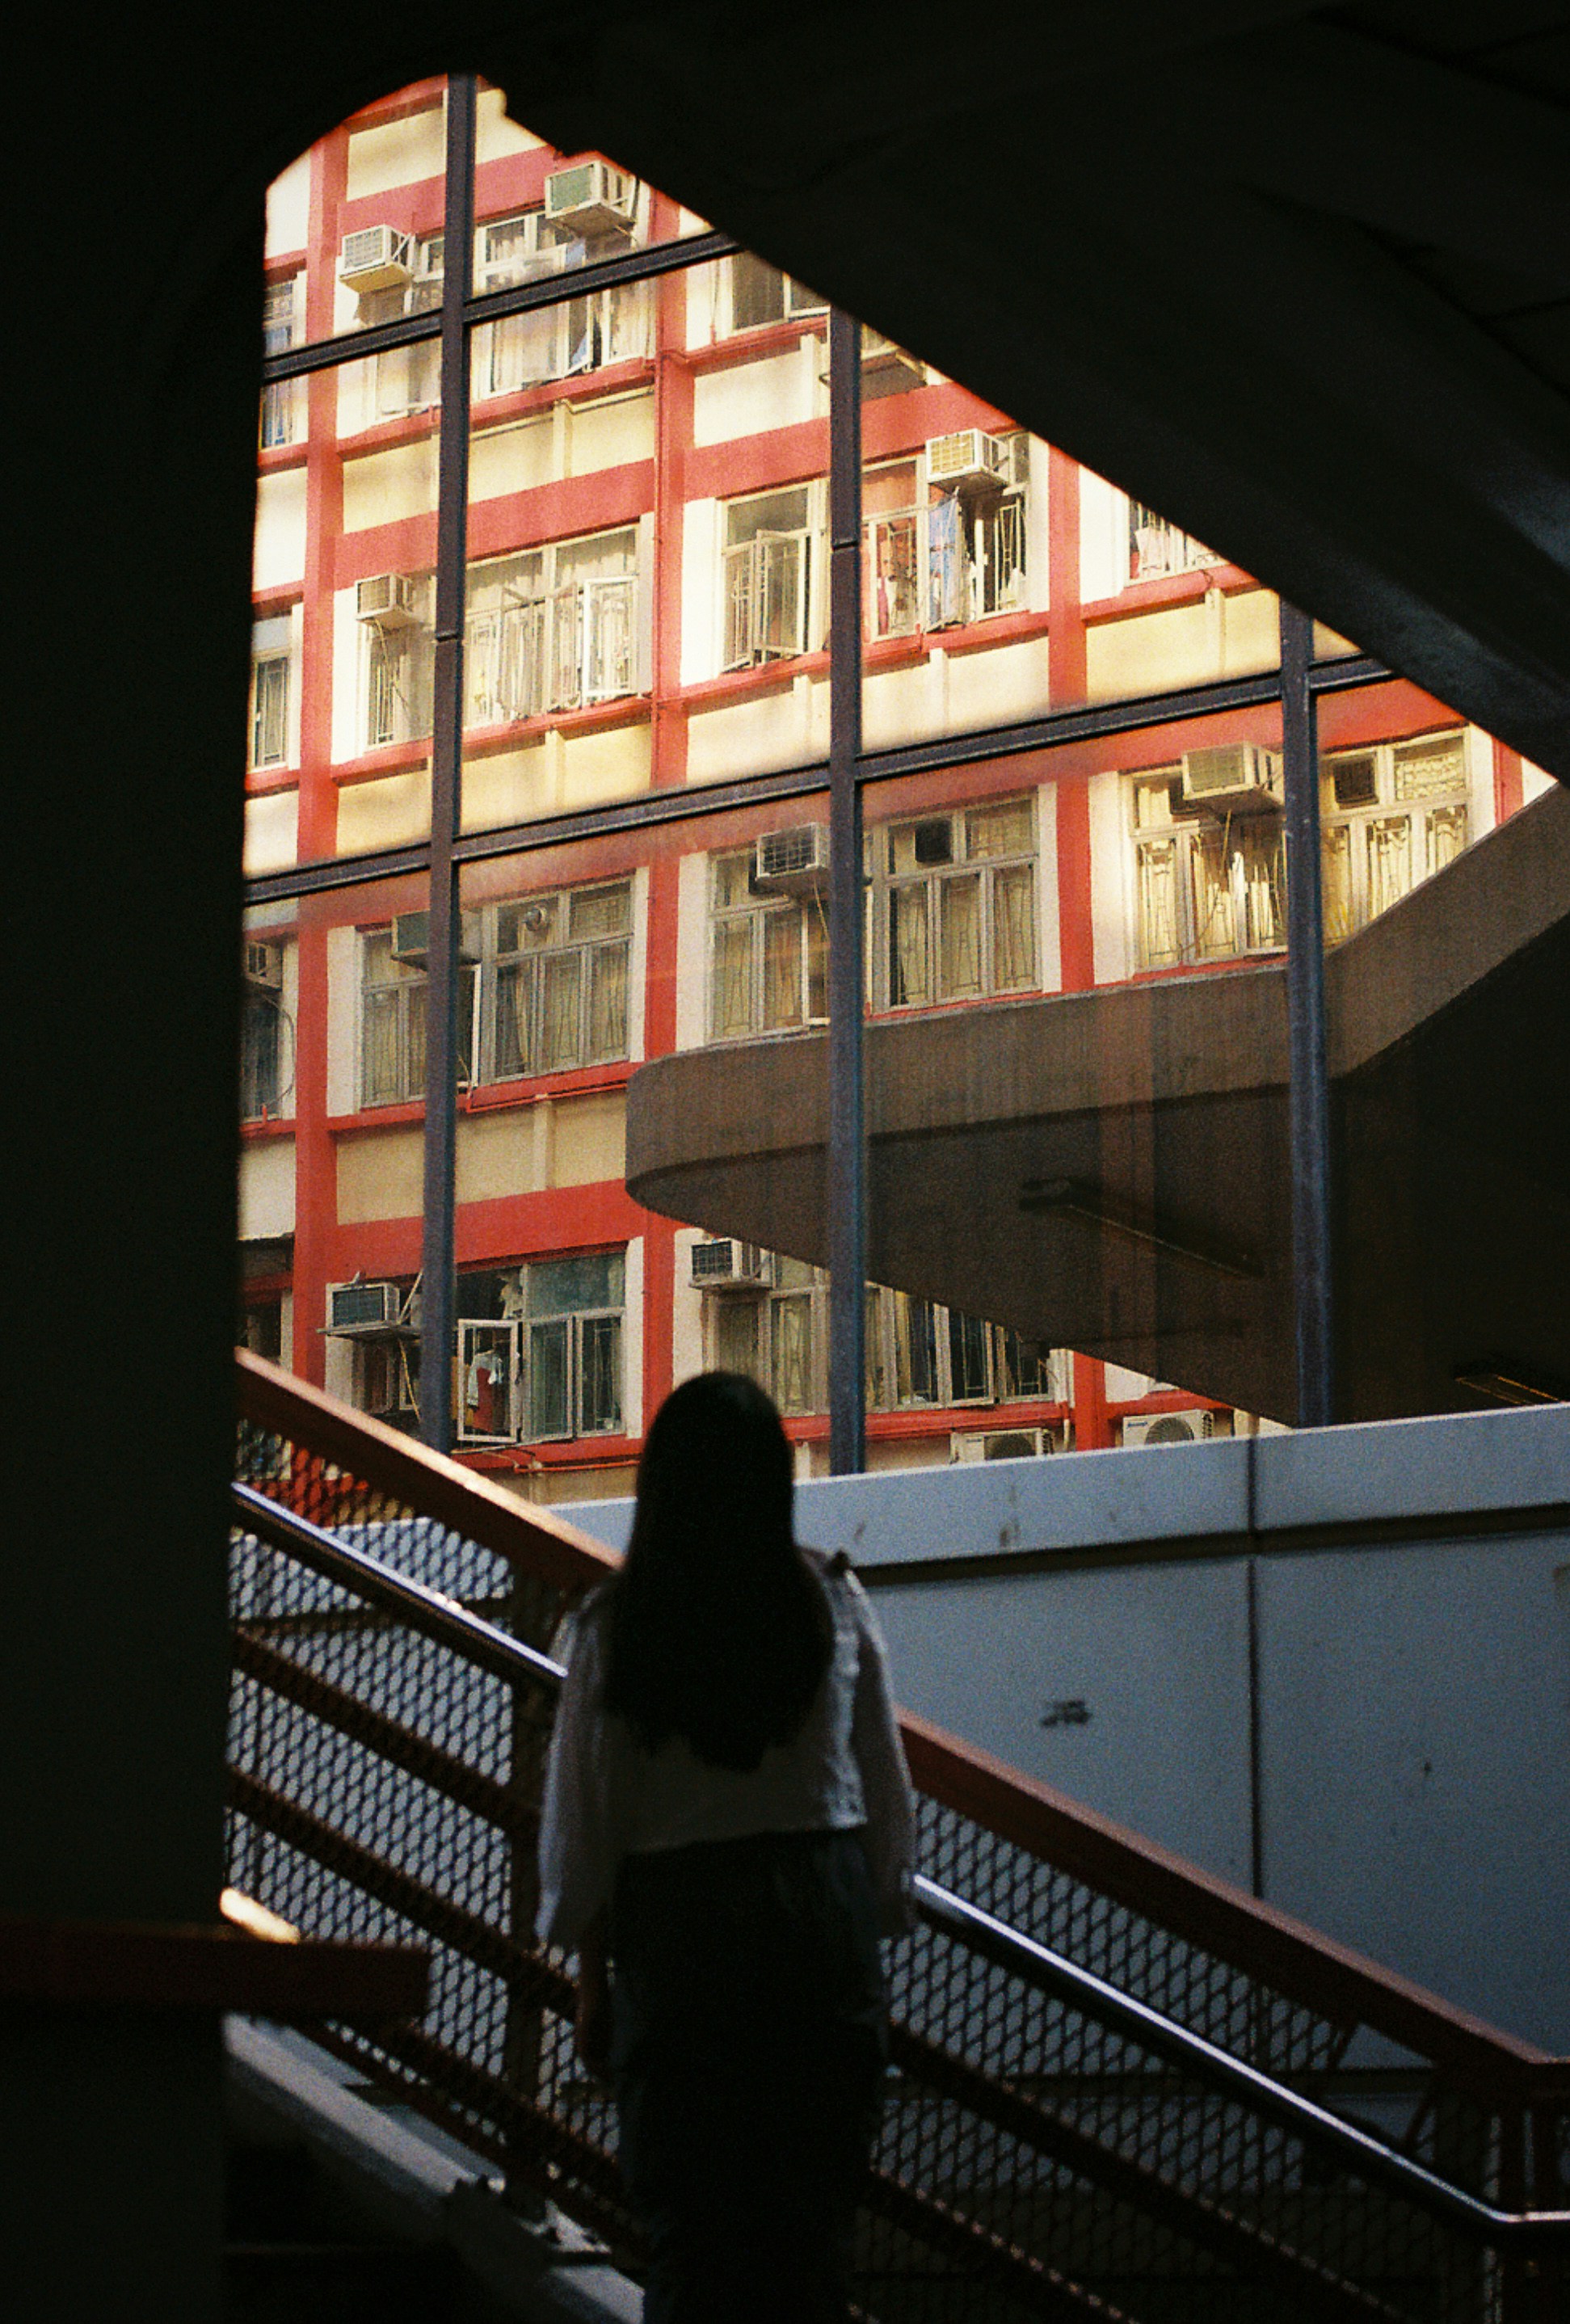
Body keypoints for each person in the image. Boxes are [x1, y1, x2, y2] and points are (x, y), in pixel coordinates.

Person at [537, 1370, 916, 2324]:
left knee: (692, 2244)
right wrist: (876, 1922)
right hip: (817, 1922)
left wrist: (592, 1980)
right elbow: (883, 1788)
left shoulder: (610, 1627)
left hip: (681, 1929)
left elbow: (588, 1820)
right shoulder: (828, 1599)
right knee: (808, 2247)